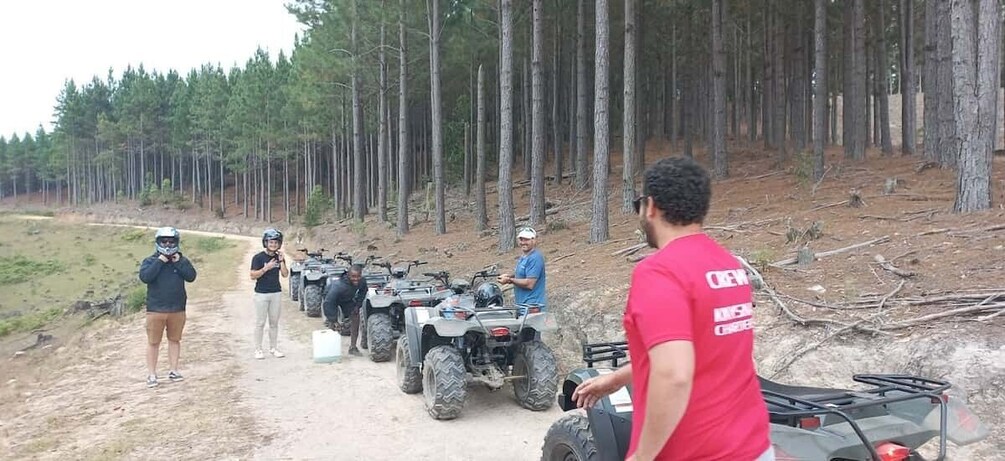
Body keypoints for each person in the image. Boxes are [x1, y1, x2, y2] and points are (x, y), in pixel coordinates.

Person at [572, 157, 773, 461]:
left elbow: (675, 374)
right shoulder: (729, 267)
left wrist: (643, 456)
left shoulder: (660, 272)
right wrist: (617, 379)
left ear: (651, 206)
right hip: (752, 446)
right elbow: (705, 352)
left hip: (694, 451)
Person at [138, 226, 198, 388]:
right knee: (153, 342)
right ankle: (151, 374)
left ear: (176, 242)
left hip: (177, 308)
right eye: (164, 241)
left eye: (171, 241)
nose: (168, 244)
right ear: (158, 242)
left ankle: (174, 370)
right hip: (155, 309)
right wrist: (160, 261)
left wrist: (178, 262)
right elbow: (145, 277)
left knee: (174, 340)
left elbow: (191, 276)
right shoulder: (150, 261)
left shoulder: (181, 260)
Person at [249, 228, 289, 360]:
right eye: (271, 242)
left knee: (274, 322)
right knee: (260, 322)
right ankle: (258, 349)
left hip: (276, 292)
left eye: (276, 243)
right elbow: (252, 275)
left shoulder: (279, 257)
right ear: (265, 243)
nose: (273, 245)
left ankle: (273, 347)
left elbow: (285, 274)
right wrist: (266, 268)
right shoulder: (258, 257)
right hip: (261, 293)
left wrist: (282, 261)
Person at [498, 227, 546, 310]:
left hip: (532, 307)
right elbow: (522, 273)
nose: (523, 242)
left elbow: (529, 284)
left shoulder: (535, 258)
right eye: (521, 239)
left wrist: (509, 280)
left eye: (526, 240)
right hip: (522, 305)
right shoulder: (524, 256)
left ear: (533, 240)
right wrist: (509, 275)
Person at [322, 264, 366, 356]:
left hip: (347, 299)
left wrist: (357, 305)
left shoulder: (362, 281)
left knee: (355, 316)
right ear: (348, 276)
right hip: (332, 299)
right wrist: (333, 320)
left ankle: (353, 348)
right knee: (332, 324)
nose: (356, 279)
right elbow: (328, 303)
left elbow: (363, 292)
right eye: (353, 277)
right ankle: (330, 350)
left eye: (358, 276)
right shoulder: (338, 286)